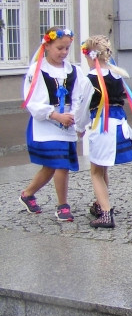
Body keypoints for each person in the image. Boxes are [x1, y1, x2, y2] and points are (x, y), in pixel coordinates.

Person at [73, 35, 132, 229]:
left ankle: (106, 213)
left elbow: (84, 107)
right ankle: (101, 204)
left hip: (102, 127)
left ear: (90, 55)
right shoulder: (117, 75)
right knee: (103, 168)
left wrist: (79, 128)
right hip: (118, 124)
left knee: (95, 172)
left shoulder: (89, 79)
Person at [19, 28, 80, 222]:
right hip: (46, 124)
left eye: (67, 49)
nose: (63, 52)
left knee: (51, 166)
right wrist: (54, 115)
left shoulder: (72, 70)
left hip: (66, 122)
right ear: (47, 46)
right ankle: (62, 206)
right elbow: (31, 100)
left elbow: (79, 97)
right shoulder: (38, 69)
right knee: (59, 163)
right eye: (59, 48)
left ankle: (27, 194)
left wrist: (76, 118)